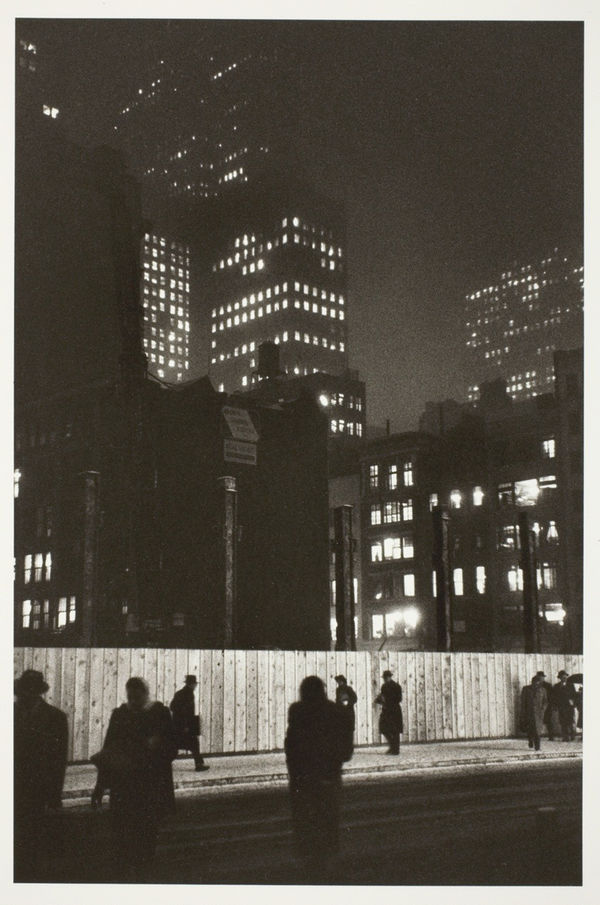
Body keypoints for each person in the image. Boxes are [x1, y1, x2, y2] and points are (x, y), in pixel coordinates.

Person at [91, 677, 177, 880]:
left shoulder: (160, 714)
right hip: (127, 783)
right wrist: (100, 786)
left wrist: (155, 746)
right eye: (130, 697)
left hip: (150, 783)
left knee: (145, 831)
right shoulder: (120, 715)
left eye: (137, 697)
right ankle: (130, 870)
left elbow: (172, 748)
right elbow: (108, 752)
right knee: (124, 830)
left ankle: (141, 871)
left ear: (145, 694)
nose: (134, 701)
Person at [285, 675, 354, 880]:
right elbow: (346, 751)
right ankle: (328, 870)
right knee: (328, 822)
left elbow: (291, 746)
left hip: (302, 780)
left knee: (305, 823)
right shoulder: (337, 712)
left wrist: (295, 774)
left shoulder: (297, 711)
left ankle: (308, 868)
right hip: (328, 778)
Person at [14, 669, 69, 881]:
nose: (21, 697)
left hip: (38, 786)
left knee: (34, 837)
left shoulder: (55, 718)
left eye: (26, 692)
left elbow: (58, 759)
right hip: (13, 785)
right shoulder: (11, 713)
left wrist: (54, 795)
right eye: (20, 692)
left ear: (36, 693)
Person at [170, 674, 209, 771]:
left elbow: (172, 707)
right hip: (185, 724)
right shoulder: (189, 694)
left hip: (177, 724)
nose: (196, 686)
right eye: (195, 684)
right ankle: (199, 764)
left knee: (175, 744)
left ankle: (199, 763)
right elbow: (186, 711)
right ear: (192, 684)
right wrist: (186, 725)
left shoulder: (179, 693)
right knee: (193, 743)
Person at [375, 670, 403, 754]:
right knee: (384, 728)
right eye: (384, 678)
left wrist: (387, 700)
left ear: (389, 677)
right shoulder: (385, 686)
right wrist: (379, 700)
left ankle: (395, 749)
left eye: (386, 677)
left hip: (393, 710)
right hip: (388, 709)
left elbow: (398, 699)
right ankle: (393, 746)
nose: (385, 679)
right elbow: (383, 696)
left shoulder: (396, 686)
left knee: (394, 730)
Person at [520, 674, 548, 751]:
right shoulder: (526, 689)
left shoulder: (543, 690)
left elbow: (545, 701)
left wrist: (543, 709)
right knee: (530, 729)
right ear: (532, 682)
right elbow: (523, 701)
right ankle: (530, 740)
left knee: (538, 730)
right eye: (535, 682)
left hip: (539, 714)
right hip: (529, 713)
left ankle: (537, 747)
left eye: (538, 682)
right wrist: (523, 712)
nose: (536, 683)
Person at [553, 670, 576, 741]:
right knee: (563, 722)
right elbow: (554, 697)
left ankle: (572, 735)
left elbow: (574, 695)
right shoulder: (556, 686)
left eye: (565, 677)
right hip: (561, 706)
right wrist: (555, 706)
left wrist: (573, 702)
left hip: (569, 706)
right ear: (560, 678)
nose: (564, 678)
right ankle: (565, 736)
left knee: (571, 721)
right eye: (562, 677)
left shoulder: (571, 685)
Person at [536, 670, 555, 740]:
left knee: (549, 721)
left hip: (547, 706)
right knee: (538, 721)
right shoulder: (535, 685)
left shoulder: (548, 685)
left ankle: (551, 736)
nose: (540, 678)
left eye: (542, 677)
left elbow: (552, 696)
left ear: (543, 678)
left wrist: (551, 705)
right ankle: (538, 735)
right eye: (539, 677)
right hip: (538, 707)